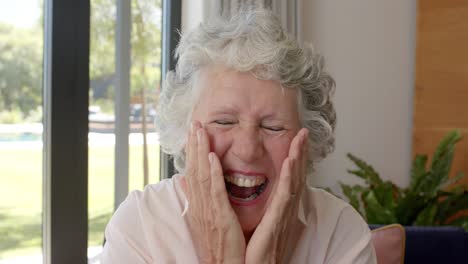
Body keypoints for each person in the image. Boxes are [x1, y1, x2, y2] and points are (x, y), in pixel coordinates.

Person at [101, 9, 377, 264]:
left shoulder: (341, 232)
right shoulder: (140, 224)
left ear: (308, 141)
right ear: (184, 132)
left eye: (273, 127)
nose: (247, 150)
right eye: (224, 121)